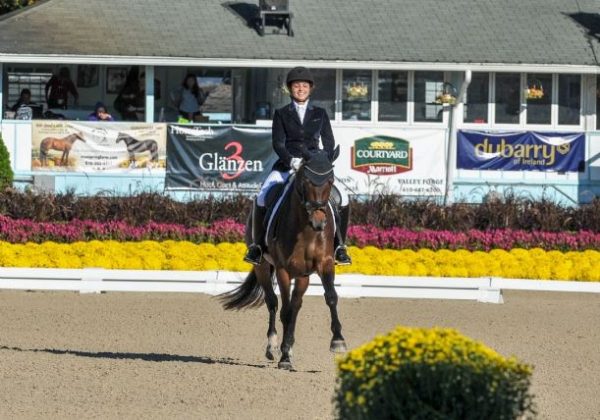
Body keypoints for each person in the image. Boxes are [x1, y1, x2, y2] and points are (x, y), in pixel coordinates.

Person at [244, 67, 352, 266]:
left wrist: (323, 161)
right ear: (290, 89)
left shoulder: (320, 113)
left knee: (343, 197)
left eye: (304, 86)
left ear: (310, 89)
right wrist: (291, 160)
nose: (300, 89)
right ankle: (257, 246)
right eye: (296, 86)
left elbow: (329, 142)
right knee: (261, 197)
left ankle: (340, 246)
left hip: (313, 166)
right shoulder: (282, 113)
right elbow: (278, 143)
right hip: (287, 164)